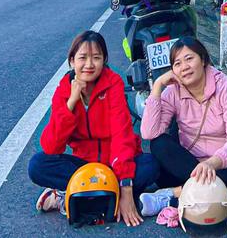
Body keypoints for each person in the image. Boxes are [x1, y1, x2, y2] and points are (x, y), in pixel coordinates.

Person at [28, 30, 159, 227]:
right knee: (37, 164)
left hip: (115, 163)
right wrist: (71, 102)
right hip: (84, 168)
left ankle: (73, 196)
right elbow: (51, 146)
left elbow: (121, 136)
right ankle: (95, 195)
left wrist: (125, 188)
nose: (89, 65)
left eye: (96, 58)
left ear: (104, 60)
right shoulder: (64, 89)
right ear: (72, 61)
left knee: (151, 165)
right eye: (82, 58)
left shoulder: (113, 83)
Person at [139, 35, 227, 216]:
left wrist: (212, 163)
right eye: (177, 63)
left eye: (189, 59)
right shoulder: (172, 92)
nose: (184, 67)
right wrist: (157, 86)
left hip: (221, 165)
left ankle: (175, 195)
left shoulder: (226, 87)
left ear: (202, 60)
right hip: (186, 165)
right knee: (158, 144)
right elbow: (149, 133)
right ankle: (218, 194)